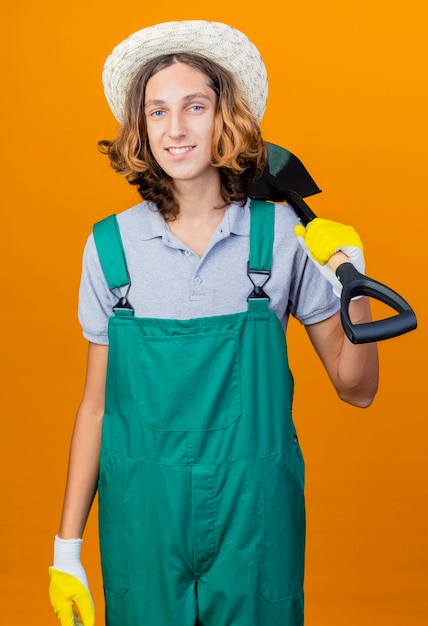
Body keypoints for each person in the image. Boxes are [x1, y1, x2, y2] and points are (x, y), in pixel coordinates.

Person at [48, 20, 378, 626]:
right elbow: (97, 407)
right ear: (140, 131)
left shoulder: (280, 238)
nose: (176, 129)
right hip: (144, 520)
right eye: (157, 112)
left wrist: (353, 282)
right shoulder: (111, 248)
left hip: (254, 522)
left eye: (194, 106)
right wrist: (66, 548)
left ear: (224, 117)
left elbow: (357, 389)